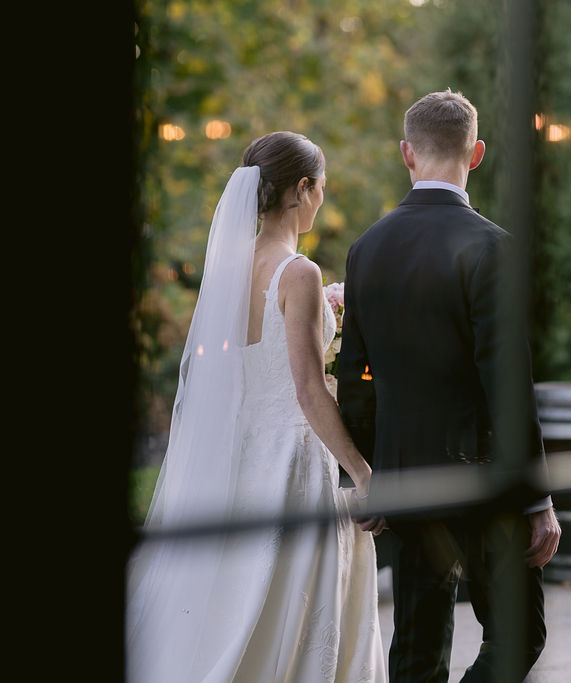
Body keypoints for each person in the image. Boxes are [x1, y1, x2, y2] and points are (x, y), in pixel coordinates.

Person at [125, 131, 387, 682]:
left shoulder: (227, 267)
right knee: (285, 604)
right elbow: (307, 389)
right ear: (302, 189)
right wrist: (363, 474)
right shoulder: (299, 272)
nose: (321, 201)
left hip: (237, 451)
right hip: (291, 459)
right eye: (321, 189)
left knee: (234, 599)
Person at [335, 90, 561, 683]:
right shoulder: (493, 248)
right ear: (477, 153)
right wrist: (537, 498)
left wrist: (365, 473)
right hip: (483, 476)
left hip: (405, 476)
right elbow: (507, 383)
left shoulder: (366, 249)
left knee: (416, 649)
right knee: (519, 635)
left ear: (407, 154)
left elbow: (354, 375)